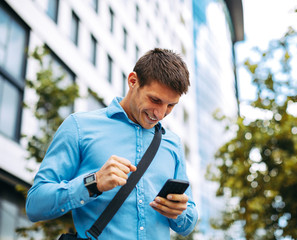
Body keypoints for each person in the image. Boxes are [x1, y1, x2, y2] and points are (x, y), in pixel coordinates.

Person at [26, 48, 198, 239]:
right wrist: (93, 184)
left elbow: (188, 223)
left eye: (170, 105)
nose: (160, 113)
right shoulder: (79, 127)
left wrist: (179, 211)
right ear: (133, 81)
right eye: (155, 100)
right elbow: (35, 205)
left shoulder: (172, 143)